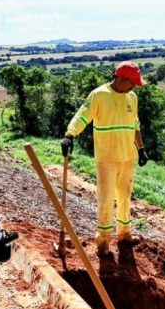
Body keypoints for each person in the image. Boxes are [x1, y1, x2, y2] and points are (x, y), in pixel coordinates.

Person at [61, 61, 150, 255]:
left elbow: (135, 125)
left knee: (125, 197)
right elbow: (82, 116)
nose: (134, 86)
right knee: (106, 200)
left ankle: (124, 235)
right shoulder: (99, 95)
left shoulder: (131, 97)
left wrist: (141, 149)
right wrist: (70, 135)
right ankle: (103, 242)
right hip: (107, 159)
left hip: (127, 158)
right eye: (132, 82)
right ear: (121, 78)